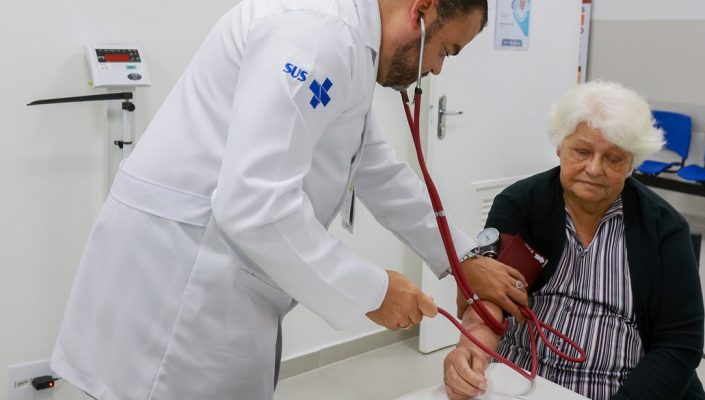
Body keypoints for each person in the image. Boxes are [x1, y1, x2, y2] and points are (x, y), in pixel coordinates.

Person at [51, 1, 530, 399]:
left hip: (216, 281)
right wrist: (373, 290)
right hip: (176, 291)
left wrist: (462, 257)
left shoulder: (350, 44)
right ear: (422, 10)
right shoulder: (318, 34)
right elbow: (253, 204)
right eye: (445, 49)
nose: (437, 68)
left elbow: (375, 167)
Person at [443, 81, 705, 400]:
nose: (594, 169)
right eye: (582, 151)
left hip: (621, 387)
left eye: (613, 158)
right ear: (560, 147)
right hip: (521, 379)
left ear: (631, 164)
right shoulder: (521, 204)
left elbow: (679, 344)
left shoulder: (665, 229)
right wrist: (471, 349)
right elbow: (492, 297)